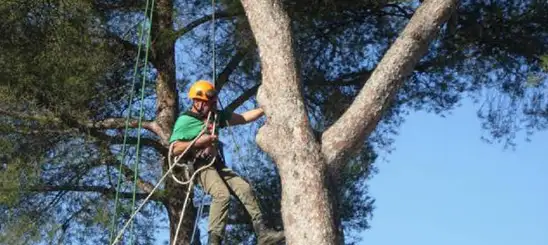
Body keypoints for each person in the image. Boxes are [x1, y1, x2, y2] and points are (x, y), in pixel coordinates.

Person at [169, 80, 285, 245]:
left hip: (216, 163)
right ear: (197, 102)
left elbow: (244, 118)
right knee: (221, 194)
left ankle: (263, 233)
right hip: (199, 166)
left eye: (214, 103)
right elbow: (174, 149)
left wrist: (265, 110)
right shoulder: (185, 120)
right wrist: (199, 142)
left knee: (245, 189)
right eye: (210, 103)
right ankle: (214, 242)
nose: (213, 106)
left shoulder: (216, 116)